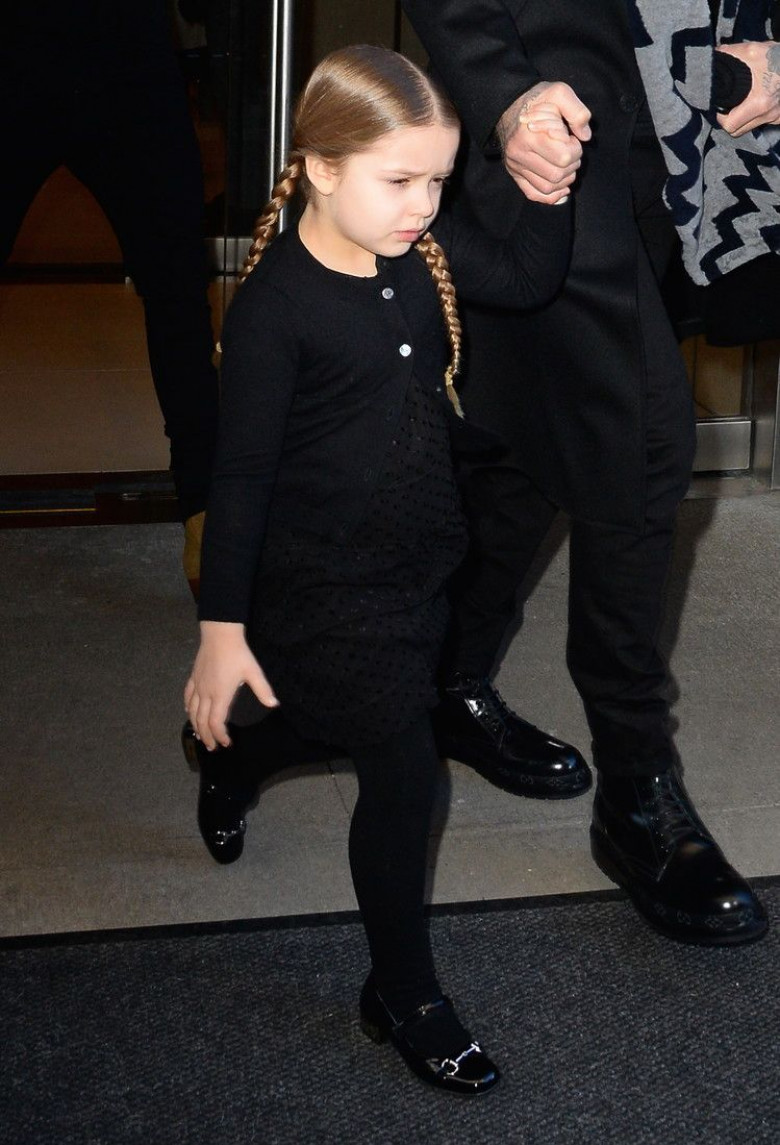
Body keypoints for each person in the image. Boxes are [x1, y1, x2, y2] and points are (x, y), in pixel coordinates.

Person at [184, 44, 574, 1094]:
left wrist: (550, 182)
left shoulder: (413, 250)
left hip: (416, 568)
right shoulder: (277, 309)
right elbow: (241, 479)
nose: (423, 205)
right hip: (322, 585)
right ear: (319, 166)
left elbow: (528, 278)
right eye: (400, 180)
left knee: (336, 722)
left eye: (438, 180)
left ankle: (237, 755)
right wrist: (222, 630)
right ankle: (405, 993)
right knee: (405, 771)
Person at [399, 0, 770, 945]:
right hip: (547, 108)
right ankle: (636, 788)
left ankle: (446, 681)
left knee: (530, 440)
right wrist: (501, 90)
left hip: (678, 111)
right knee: (642, 445)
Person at [0, 2, 219, 583]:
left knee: (176, 284)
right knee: (176, 288)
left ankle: (205, 507)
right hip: (12, 44)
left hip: (126, 48)